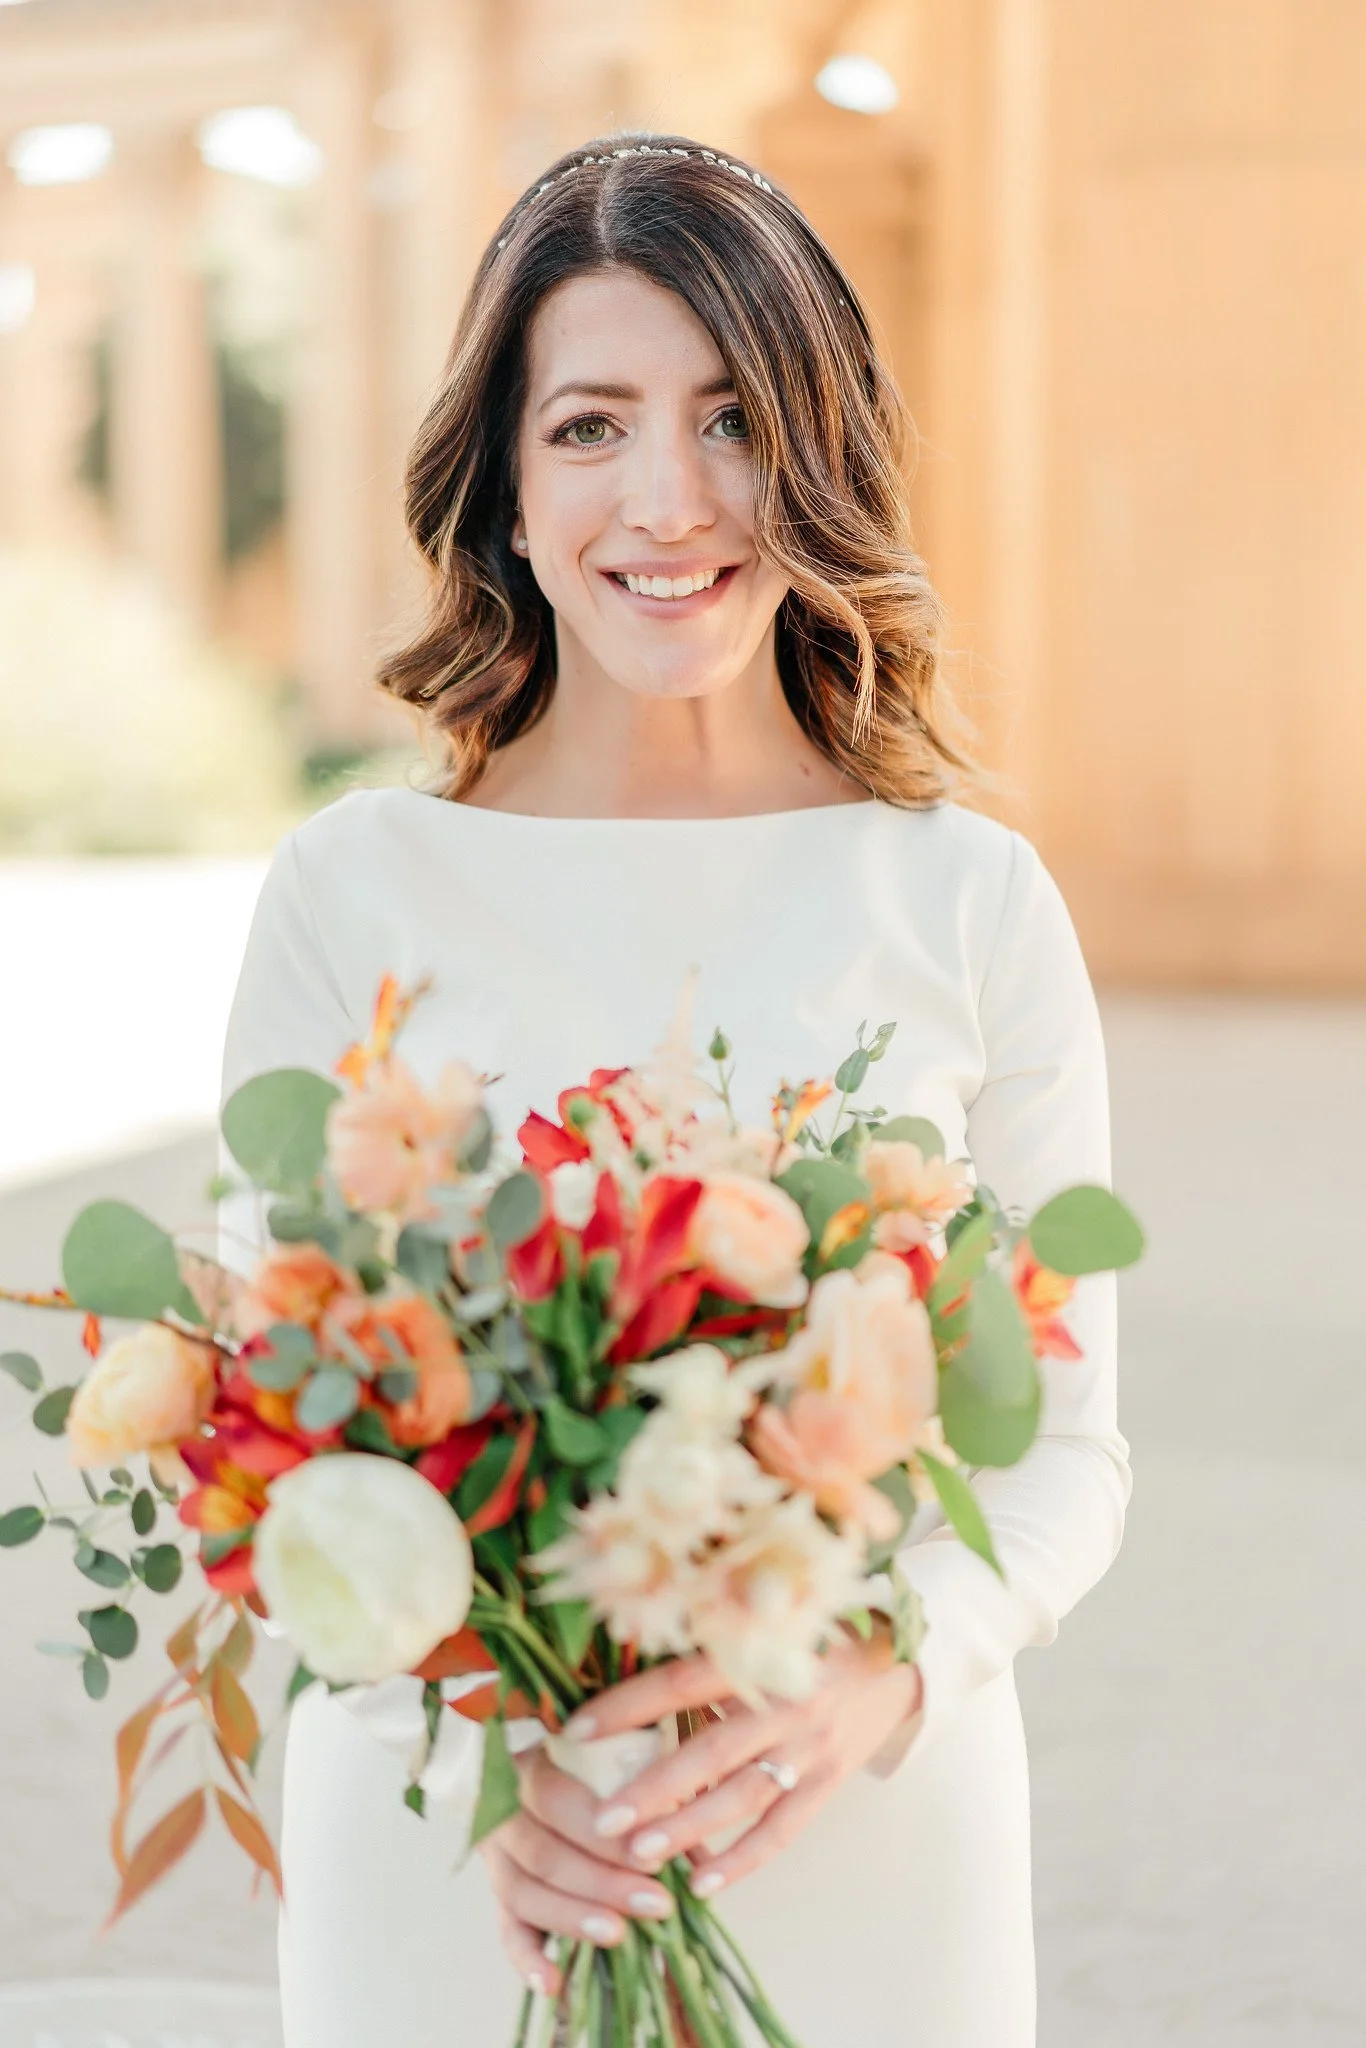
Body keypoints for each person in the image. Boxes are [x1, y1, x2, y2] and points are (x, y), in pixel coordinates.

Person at [218, 132, 1131, 2048]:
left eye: (729, 418)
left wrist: (878, 1680)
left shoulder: (961, 897)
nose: (667, 496)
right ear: (503, 482)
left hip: (861, 1827)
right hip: (458, 1832)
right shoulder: (350, 892)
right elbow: (272, 1440)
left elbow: (1065, 1453)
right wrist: (483, 1752)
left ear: (814, 450)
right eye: (590, 425)